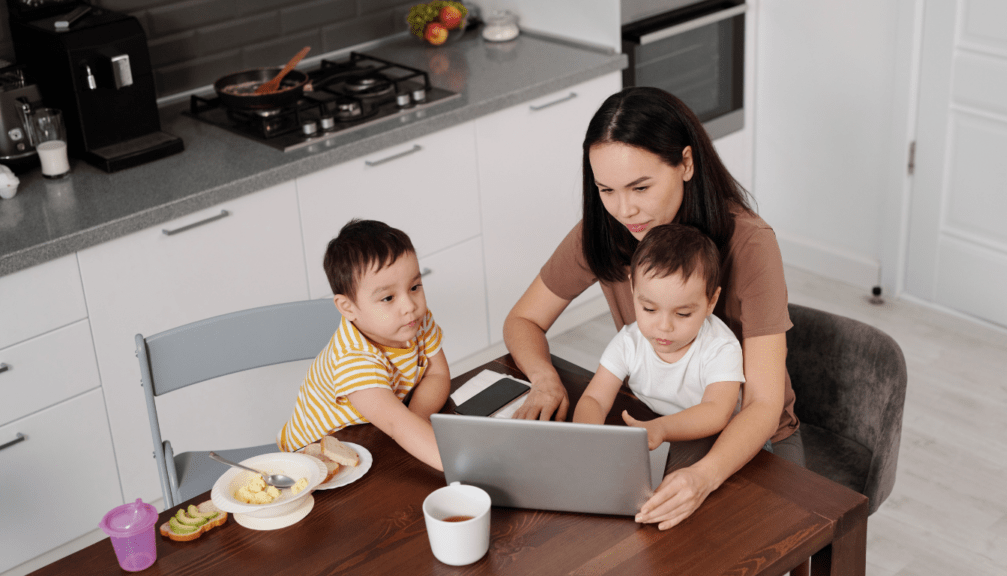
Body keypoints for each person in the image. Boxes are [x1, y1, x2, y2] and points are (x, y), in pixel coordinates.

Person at [503, 86, 803, 530]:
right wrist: (545, 381)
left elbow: (761, 404)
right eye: (606, 189)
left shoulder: (750, 242)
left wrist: (703, 477)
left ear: (685, 163)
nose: (626, 209)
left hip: (752, 439)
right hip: (656, 419)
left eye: (641, 186)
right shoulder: (606, 228)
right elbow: (523, 319)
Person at [278, 219, 450, 471]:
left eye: (414, 287)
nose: (409, 305)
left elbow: (437, 373)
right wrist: (468, 472)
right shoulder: (354, 358)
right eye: (388, 297)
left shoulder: (414, 322)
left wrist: (417, 415)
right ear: (348, 308)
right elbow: (396, 425)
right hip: (314, 456)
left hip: (372, 434)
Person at [573, 224, 743, 451]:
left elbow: (716, 411)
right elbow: (594, 398)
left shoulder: (721, 347)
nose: (664, 327)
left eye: (683, 314)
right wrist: (587, 440)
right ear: (633, 287)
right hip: (659, 431)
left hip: (721, 440)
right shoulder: (629, 342)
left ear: (711, 301)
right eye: (649, 309)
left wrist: (660, 428)